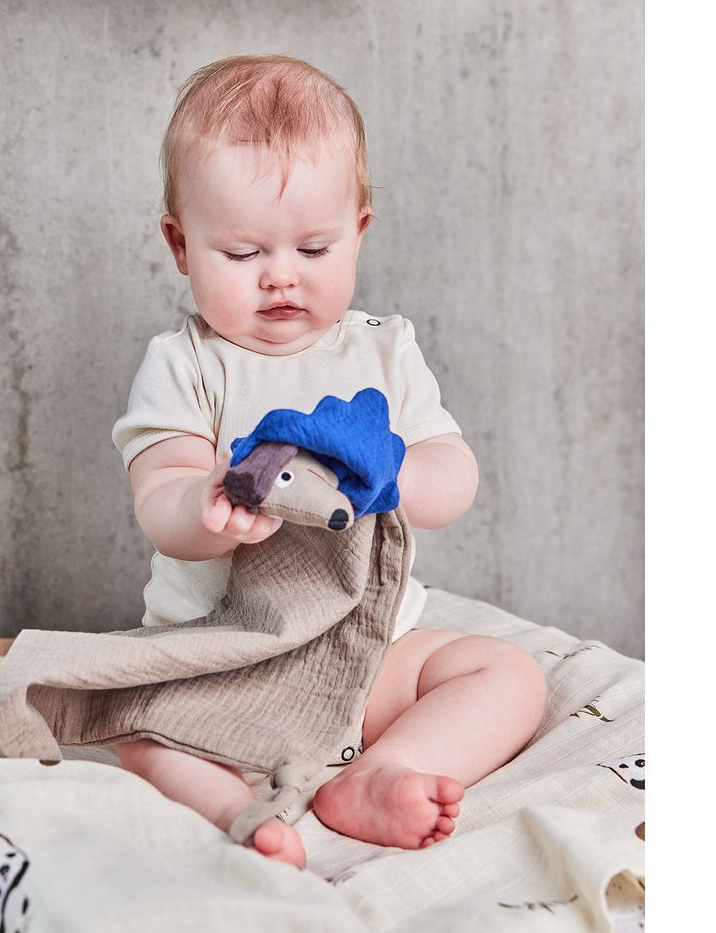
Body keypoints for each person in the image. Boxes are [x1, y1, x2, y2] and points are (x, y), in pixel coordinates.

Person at [111, 55, 546, 868]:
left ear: (360, 230)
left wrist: (397, 472)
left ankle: (379, 773)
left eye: (315, 247)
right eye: (241, 254)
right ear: (179, 244)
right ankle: (242, 812)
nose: (281, 275)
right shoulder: (185, 365)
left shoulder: (385, 351)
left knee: (508, 674)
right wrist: (209, 503)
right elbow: (159, 500)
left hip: (367, 652)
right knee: (133, 722)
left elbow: (453, 477)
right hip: (226, 658)